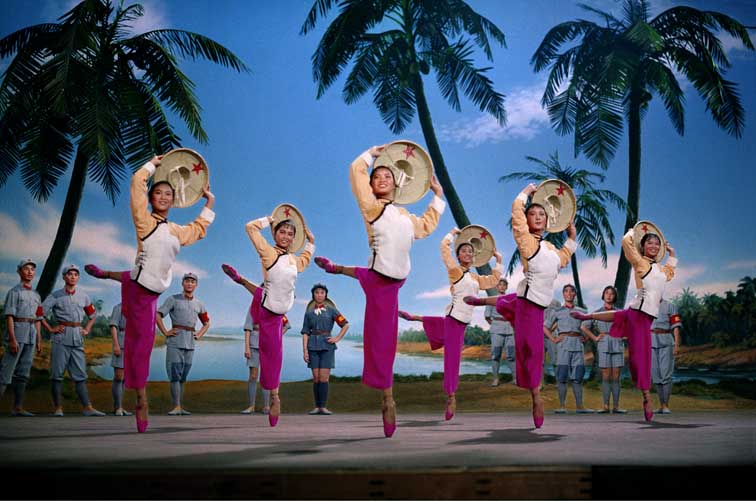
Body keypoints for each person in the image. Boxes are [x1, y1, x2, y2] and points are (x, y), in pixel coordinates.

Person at [313, 143, 445, 437]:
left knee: (387, 340)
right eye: (376, 177)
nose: (381, 178)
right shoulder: (371, 207)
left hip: (394, 283)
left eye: (387, 175)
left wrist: (438, 197)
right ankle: (387, 400)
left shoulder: (406, 218)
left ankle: (335, 268)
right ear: (371, 185)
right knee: (381, 343)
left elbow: (426, 226)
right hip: (379, 282)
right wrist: (372, 153)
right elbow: (354, 171)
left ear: (396, 182)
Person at [84, 154, 216, 432]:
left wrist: (209, 204)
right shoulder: (143, 220)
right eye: (158, 192)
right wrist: (152, 164)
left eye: (169, 193)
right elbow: (136, 183)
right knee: (139, 344)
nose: (164, 196)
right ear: (152, 196)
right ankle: (141, 400)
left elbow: (199, 229)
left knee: (138, 339)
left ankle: (106, 273)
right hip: (138, 292)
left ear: (175, 199)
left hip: (147, 288)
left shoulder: (177, 231)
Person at [464, 183, 576, 428]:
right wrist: (525, 193)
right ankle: (536, 396)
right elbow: (517, 212)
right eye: (533, 214)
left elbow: (564, 258)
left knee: (529, 341)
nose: (537, 217)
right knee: (528, 349)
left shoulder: (550, 249)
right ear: (527, 220)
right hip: (527, 306)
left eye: (542, 215)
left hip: (536, 305)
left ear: (548, 222)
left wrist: (571, 236)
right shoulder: (527, 243)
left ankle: (480, 299)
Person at [571, 230, 677, 421]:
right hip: (639, 313)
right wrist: (633, 232)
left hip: (646, 317)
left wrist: (672, 255)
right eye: (649, 243)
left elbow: (669, 274)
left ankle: (588, 315)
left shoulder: (660, 269)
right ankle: (647, 398)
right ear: (643, 246)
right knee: (640, 360)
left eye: (656, 244)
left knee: (636, 356)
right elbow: (627, 244)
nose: (653, 246)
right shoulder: (640, 262)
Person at [221, 212, 315, 427]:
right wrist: (269, 219)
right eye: (282, 232)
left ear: (293, 238)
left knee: (274, 356)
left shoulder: (293, 260)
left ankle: (240, 279)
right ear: (275, 234)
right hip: (267, 311)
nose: (286, 236)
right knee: (272, 355)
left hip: (279, 311)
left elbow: (304, 262)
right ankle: (274, 397)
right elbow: (250, 227)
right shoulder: (268, 252)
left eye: (290, 233)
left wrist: (311, 242)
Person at [399, 228, 503, 420]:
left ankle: (414, 317)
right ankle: (451, 397)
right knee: (452, 360)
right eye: (464, 251)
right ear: (458, 255)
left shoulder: (475, 279)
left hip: (461, 322)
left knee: (448, 346)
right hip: (454, 319)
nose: (468, 254)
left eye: (471, 252)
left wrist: (498, 260)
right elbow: (443, 249)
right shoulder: (455, 271)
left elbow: (493, 280)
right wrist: (452, 233)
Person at [40, 264, 105, 417]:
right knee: (57, 374)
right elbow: (39, 313)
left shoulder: (83, 296)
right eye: (70, 274)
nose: (73, 277)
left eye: (76, 274)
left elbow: (92, 315)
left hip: (77, 336)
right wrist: (50, 329)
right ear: (64, 277)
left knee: (80, 374)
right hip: (61, 337)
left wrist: (87, 329)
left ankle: (87, 408)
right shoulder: (55, 296)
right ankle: (58, 409)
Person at [156, 273, 210, 416]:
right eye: (187, 281)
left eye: (192, 281)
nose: (189, 284)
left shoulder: (199, 304)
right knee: (175, 374)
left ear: (196, 285)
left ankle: (180, 406)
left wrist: (198, 335)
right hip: (175, 342)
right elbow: (158, 315)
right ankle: (176, 406)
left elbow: (207, 323)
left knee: (183, 376)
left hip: (190, 344)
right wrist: (165, 332)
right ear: (182, 283)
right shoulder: (173, 299)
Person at [0, 258, 42, 416]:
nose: (30, 272)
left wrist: (38, 339)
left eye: (32, 269)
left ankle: (17, 408)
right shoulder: (14, 292)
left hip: (31, 335)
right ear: (19, 272)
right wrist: (12, 339)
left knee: (23, 374)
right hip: (17, 333)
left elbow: (38, 319)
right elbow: (10, 316)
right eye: (26, 268)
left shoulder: (36, 295)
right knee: (6, 372)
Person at [543, 284, 593, 414]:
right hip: (563, 346)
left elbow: (588, 326)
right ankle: (562, 406)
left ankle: (580, 407)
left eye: (572, 291)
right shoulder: (557, 311)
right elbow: (545, 327)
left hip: (577, 345)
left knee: (577, 377)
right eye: (566, 291)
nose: (569, 293)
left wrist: (586, 338)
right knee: (562, 377)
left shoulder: (582, 312)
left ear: (574, 294)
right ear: (563, 294)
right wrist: (553, 339)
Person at [301, 284, 349, 415]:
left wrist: (337, 338)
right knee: (316, 378)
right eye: (317, 292)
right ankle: (317, 407)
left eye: (322, 292)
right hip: (312, 346)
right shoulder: (308, 313)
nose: (319, 295)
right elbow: (305, 332)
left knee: (324, 378)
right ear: (313, 295)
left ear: (325, 295)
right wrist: (304, 350)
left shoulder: (332, 310)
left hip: (327, 346)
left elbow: (345, 324)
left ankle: (323, 407)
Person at [580, 286, 626, 414]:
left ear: (615, 296)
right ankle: (605, 406)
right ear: (603, 295)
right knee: (606, 376)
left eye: (612, 293)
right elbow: (584, 327)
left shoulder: (621, 313)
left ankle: (616, 407)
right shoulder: (597, 312)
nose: (609, 295)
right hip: (603, 344)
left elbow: (630, 326)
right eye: (607, 293)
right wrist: (594, 338)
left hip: (617, 344)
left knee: (616, 376)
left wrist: (624, 335)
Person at [651, 299, 682, 414]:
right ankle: (661, 405)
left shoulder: (670, 306)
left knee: (666, 374)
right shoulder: (645, 306)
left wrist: (677, 345)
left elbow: (676, 326)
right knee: (656, 375)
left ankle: (666, 405)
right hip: (650, 341)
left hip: (666, 341)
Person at [485, 279, 514, 387]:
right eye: (499, 285)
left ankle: (515, 378)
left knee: (511, 355)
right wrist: (495, 325)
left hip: (510, 330)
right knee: (495, 355)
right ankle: (495, 379)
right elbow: (487, 316)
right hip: (497, 329)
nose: (502, 287)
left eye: (504, 285)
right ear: (497, 287)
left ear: (506, 287)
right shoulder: (491, 299)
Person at [108, 303, 132, 416]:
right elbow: (113, 327)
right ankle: (117, 407)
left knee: (126, 378)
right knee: (119, 376)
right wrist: (116, 345)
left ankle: (120, 406)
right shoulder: (118, 307)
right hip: (122, 343)